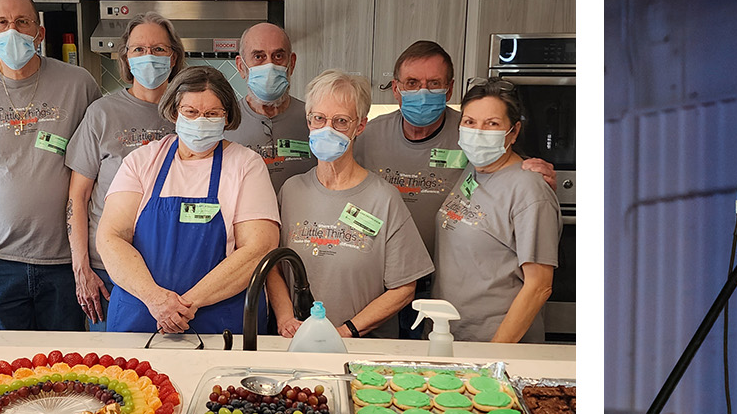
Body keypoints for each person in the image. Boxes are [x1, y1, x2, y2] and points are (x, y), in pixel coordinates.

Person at [354, 40, 554, 337]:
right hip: (403, 292)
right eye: (412, 82)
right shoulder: (369, 135)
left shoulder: (520, 180)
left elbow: (539, 284)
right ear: (396, 89)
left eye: (434, 83)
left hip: (487, 330)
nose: (478, 132)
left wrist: (535, 173)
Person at [0, 0, 102, 330]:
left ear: (39, 32)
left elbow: (97, 161)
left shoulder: (78, 84)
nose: (12, 30)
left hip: (64, 261)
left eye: (22, 22)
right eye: (2, 22)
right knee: (1, 370)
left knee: (63, 370)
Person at [97, 66, 279, 335]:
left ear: (227, 117)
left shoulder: (246, 165)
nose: (200, 121)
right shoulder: (143, 161)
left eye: (212, 114)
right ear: (174, 111)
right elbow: (110, 237)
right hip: (140, 319)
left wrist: (182, 307)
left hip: (220, 326)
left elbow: (259, 247)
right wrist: (157, 301)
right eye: (191, 112)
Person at [267, 70, 434, 339]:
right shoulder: (291, 191)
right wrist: (286, 318)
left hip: (362, 349)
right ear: (308, 120)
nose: (327, 129)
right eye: (319, 118)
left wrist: (345, 332)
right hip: (296, 343)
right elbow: (272, 266)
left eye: (341, 121)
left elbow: (404, 288)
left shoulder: (384, 199)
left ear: (360, 126)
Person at [65, 12, 184, 331]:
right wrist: (82, 269)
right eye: (139, 49)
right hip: (108, 272)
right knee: (111, 372)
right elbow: (78, 196)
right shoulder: (102, 114)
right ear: (126, 58)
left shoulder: (189, 113)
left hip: (173, 271)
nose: (149, 57)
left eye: (159, 49)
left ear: (174, 57)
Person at [433, 78, 560, 343]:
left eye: (492, 124)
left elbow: (539, 286)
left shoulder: (529, 190)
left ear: (513, 132)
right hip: (454, 336)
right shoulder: (474, 170)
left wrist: (494, 354)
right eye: (469, 122)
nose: (478, 132)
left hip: (496, 345)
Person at [225, 22, 312, 192]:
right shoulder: (224, 123)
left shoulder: (315, 120)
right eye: (258, 57)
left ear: (291, 63)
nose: (270, 65)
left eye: (278, 56)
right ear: (241, 67)